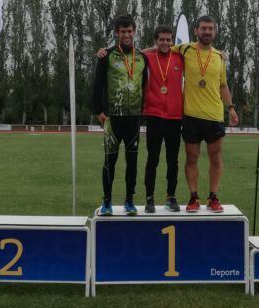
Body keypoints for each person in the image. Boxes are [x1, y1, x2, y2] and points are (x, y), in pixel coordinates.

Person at [170, 15, 239, 212]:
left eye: (211, 28)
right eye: (204, 28)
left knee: (215, 158)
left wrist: (231, 108)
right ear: (196, 31)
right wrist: (136, 52)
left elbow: (223, 85)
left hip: (214, 116)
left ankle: (213, 197)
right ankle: (193, 198)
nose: (207, 31)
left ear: (215, 32)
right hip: (191, 115)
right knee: (191, 159)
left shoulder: (219, 57)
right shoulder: (185, 49)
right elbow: (161, 49)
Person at [92, 14, 147, 216]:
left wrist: (143, 112)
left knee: (132, 162)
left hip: (133, 119)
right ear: (117, 33)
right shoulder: (106, 55)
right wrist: (98, 111)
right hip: (112, 118)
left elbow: (146, 86)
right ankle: (106, 202)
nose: (126, 34)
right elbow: (97, 85)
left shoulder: (142, 58)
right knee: (110, 161)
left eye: (129, 31)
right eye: (122, 31)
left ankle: (129, 201)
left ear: (134, 32)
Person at [141, 25, 184, 213]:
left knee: (172, 160)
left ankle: (171, 197)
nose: (165, 43)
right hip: (154, 115)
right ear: (156, 41)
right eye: (161, 39)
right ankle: (149, 198)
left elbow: (196, 49)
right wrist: (152, 48)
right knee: (153, 159)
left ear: (172, 41)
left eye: (168, 40)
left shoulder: (180, 58)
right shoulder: (148, 58)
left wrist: (221, 53)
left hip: (175, 116)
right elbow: (135, 52)